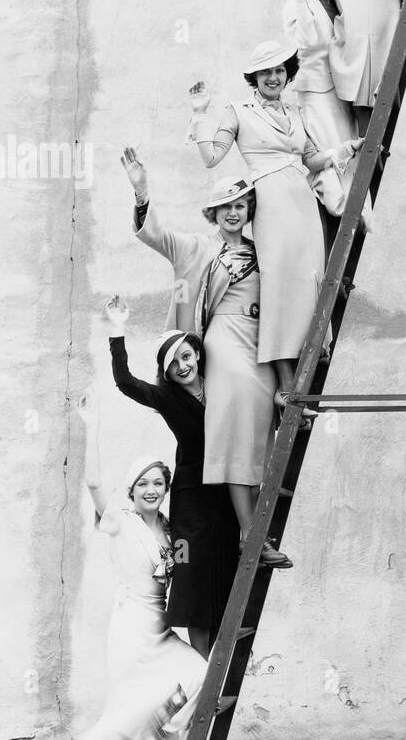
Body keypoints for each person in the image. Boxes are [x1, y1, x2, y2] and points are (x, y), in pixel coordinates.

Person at [122, 148, 291, 568]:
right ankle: (252, 537)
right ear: (212, 213)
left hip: (261, 351)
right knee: (236, 444)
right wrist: (142, 194)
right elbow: (155, 235)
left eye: (240, 205)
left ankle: (250, 534)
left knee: (258, 443)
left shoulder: (262, 250)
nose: (233, 213)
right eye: (224, 207)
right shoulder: (196, 248)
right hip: (225, 350)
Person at [62, 390, 208, 740]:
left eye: (158, 484)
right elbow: (91, 482)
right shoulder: (119, 521)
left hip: (162, 628)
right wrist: (92, 421)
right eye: (144, 483)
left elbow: (187, 570)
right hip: (129, 629)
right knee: (124, 725)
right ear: (132, 488)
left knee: (200, 673)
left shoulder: (170, 529)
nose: (151, 490)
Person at [188, 42, 360, 395]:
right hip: (270, 201)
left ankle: (313, 355)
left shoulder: (295, 111)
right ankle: (283, 385)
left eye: (279, 70)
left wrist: (340, 151)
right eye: (265, 71)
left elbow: (311, 158)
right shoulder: (237, 110)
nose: (273, 77)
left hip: (301, 200)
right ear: (254, 77)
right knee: (280, 285)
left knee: (311, 276)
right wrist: (200, 113)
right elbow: (211, 157)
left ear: (287, 74)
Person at [104, 295, 241, 655]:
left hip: (227, 494)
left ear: (197, 353)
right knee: (192, 576)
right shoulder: (166, 397)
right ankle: (198, 667)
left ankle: (213, 669)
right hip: (192, 501)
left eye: (186, 356)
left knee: (226, 576)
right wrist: (117, 330)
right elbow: (125, 382)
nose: (182, 366)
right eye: (173, 364)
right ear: (165, 373)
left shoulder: (222, 381)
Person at [278, 0, 373, 232]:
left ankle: (359, 212)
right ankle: (339, 206)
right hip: (315, 91)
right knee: (328, 152)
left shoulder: (341, 1)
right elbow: (308, 41)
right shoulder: (295, 3)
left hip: (343, 88)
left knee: (349, 149)